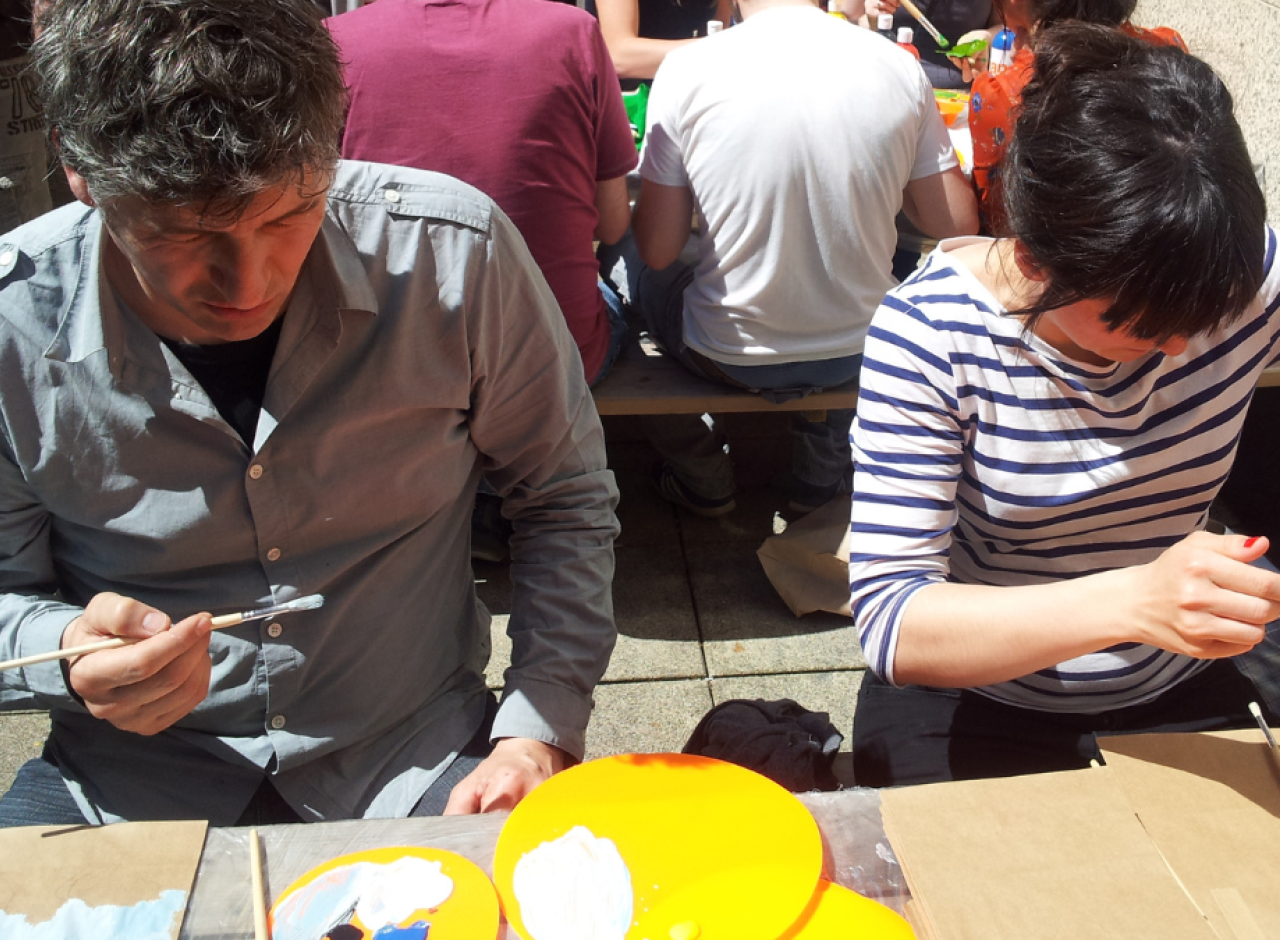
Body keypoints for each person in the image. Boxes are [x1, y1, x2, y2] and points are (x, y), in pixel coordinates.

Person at [0, 0, 619, 827]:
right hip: (128, 781)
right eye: (183, 236)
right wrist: (63, 654)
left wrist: (536, 729)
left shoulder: (449, 253)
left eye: (291, 214)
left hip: (415, 756)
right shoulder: (15, 323)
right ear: (77, 171)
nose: (247, 283)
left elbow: (563, 496)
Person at [848, 24, 1280, 787]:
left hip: (1174, 683)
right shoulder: (929, 336)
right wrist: (1136, 602)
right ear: (1034, 257)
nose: (1183, 350)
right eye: (1141, 324)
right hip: (977, 696)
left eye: (1208, 312)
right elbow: (895, 618)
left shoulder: (1240, 272)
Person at [629, 0, 978, 517]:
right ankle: (820, 472)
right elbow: (954, 223)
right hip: (860, 353)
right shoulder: (898, 65)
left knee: (622, 261)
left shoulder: (687, 67)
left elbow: (658, 249)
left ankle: (701, 470)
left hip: (724, 355)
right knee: (864, 263)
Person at [330, 0, 638, 388]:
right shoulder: (574, 31)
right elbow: (612, 226)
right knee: (626, 278)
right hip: (555, 369)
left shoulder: (336, 41)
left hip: (399, 369)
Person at [967, 0, 1184, 228]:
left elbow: (999, 219)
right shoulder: (1171, 50)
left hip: (1062, 257)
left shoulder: (1003, 93)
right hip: (1165, 247)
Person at [841, 0, 1003, 89]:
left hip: (959, 95)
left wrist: (987, 37)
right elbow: (846, 13)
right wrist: (872, 11)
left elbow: (1012, 27)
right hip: (885, 85)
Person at [595, 0, 735, 88]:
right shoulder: (711, 49)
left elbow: (716, 31)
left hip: (680, 91)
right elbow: (619, 56)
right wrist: (714, 50)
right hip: (626, 101)